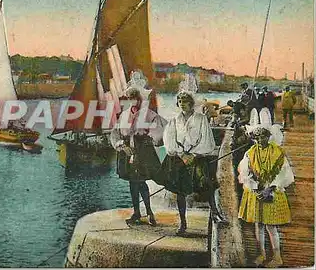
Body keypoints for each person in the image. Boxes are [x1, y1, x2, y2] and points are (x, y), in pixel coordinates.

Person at [156, 91, 224, 235]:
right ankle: (183, 222)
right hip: (180, 158)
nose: (182, 104)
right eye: (180, 102)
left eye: (185, 101)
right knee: (180, 191)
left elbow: (206, 138)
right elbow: (169, 138)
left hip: (197, 156)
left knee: (206, 186)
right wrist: (181, 154)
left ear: (191, 103)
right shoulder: (175, 119)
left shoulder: (201, 119)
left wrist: (193, 154)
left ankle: (215, 213)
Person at [237, 126, 294, 267]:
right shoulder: (250, 153)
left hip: (272, 190)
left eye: (263, 136)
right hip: (257, 192)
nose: (260, 140)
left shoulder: (277, 152)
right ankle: (261, 254)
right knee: (259, 224)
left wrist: (270, 188)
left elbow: (284, 172)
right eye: (257, 137)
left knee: (270, 226)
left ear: (269, 136)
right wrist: (255, 188)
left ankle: (277, 256)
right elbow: (245, 173)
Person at [110, 87, 167, 225]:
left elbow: (161, 129)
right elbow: (115, 133)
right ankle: (137, 212)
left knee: (140, 181)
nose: (133, 100)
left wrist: (150, 138)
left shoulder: (149, 114)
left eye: (135, 97)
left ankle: (148, 212)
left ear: (140, 99)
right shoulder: (123, 115)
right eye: (130, 98)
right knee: (132, 182)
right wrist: (122, 145)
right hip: (127, 152)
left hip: (143, 152)